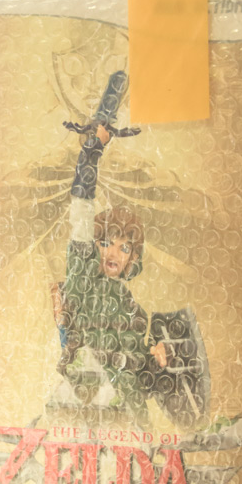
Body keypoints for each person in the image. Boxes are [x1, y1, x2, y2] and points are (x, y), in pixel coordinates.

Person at [54, 122, 169, 426]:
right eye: (105, 243)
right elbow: (81, 208)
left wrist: (156, 360)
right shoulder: (84, 278)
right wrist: (92, 152)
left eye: (124, 247)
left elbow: (139, 374)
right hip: (85, 401)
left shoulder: (130, 308)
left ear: (133, 259)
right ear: (93, 246)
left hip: (129, 415)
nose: (113, 253)